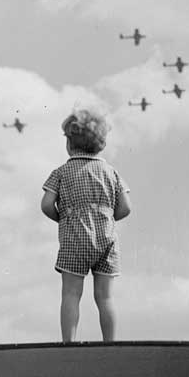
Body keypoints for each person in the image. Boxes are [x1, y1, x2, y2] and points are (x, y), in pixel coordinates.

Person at [41, 108, 131, 342]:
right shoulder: (111, 172)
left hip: (74, 239)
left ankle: (68, 342)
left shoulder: (61, 172)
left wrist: (62, 218)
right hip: (106, 240)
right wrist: (107, 218)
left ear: (69, 144)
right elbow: (126, 207)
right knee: (105, 298)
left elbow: (46, 204)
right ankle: (110, 343)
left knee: (71, 294)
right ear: (101, 143)